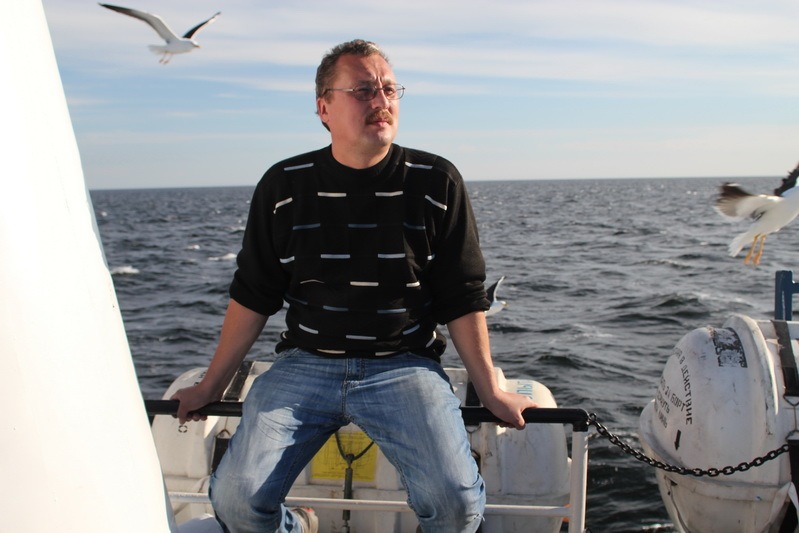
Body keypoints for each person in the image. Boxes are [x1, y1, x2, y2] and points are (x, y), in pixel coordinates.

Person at [172, 38, 537, 533]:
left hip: (404, 366)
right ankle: (297, 527)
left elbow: (462, 295)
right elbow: (254, 293)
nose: (381, 101)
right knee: (236, 502)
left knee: (455, 507)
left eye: (389, 89)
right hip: (304, 364)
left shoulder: (436, 181)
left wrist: (491, 390)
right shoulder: (283, 185)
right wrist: (211, 385)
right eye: (363, 90)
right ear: (324, 108)